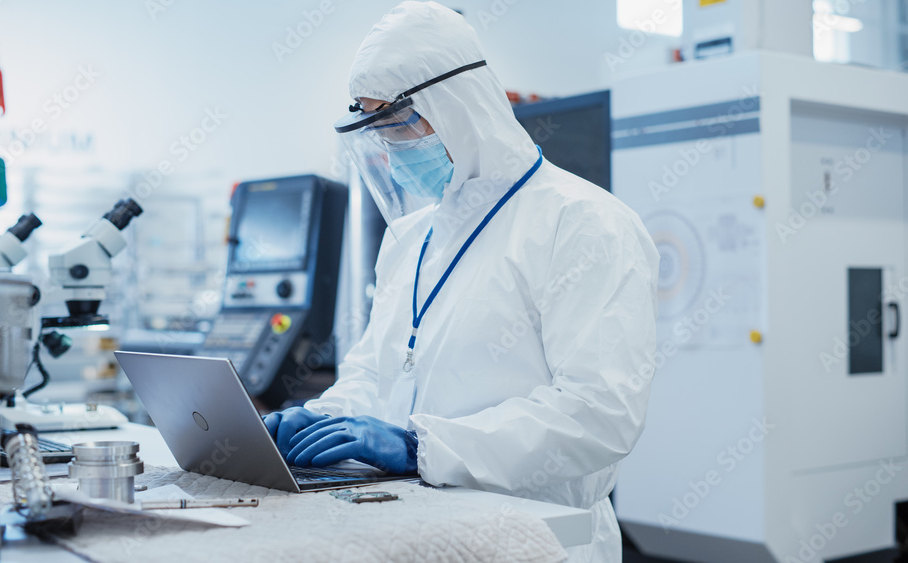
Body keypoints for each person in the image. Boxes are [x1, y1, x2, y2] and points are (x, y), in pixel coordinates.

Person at [264, 2, 659, 560]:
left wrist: (423, 445)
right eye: (377, 128)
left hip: (538, 539)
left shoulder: (583, 222)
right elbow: (374, 373)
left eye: (397, 123)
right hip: (416, 527)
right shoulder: (411, 237)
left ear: (458, 106)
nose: (391, 146)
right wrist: (321, 421)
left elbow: (600, 413)